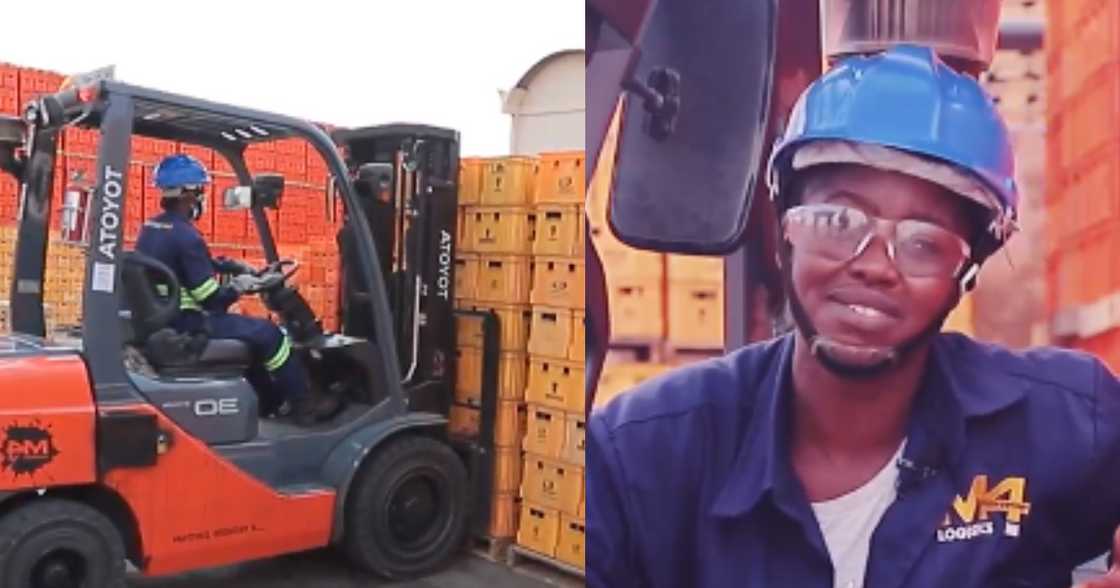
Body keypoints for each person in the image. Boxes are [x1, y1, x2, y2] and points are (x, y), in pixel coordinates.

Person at [587, 45, 1120, 588]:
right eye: (837, 220)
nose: (873, 266)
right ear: (784, 232)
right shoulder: (641, 460)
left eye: (922, 242)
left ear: (966, 273)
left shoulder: (1069, 422)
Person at [136, 154, 340, 426]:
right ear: (188, 194)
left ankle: (269, 402)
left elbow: (183, 264)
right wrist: (238, 288)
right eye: (200, 191)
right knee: (269, 335)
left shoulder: (152, 228)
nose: (202, 198)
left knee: (252, 339)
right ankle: (306, 405)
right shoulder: (187, 236)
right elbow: (210, 299)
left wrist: (232, 266)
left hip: (164, 315)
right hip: (189, 321)